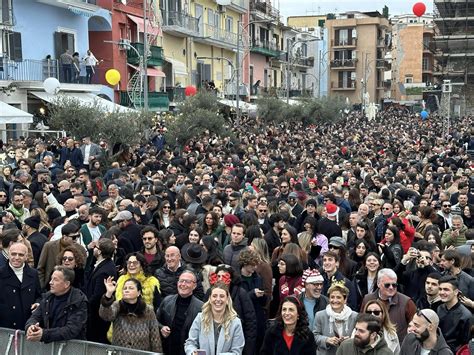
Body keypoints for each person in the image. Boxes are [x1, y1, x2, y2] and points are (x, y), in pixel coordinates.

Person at [25, 266, 88, 342]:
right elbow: (35, 317)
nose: (50, 282)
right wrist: (30, 327)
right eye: (51, 279)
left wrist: (44, 334)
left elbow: (71, 329)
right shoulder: (47, 297)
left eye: (55, 280)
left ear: (66, 284)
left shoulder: (78, 301)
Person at [100, 276, 162, 352]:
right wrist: (109, 294)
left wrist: (157, 353)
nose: (126, 290)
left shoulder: (147, 309)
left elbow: (155, 336)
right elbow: (105, 316)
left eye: (131, 288)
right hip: (120, 351)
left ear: (139, 292)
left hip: (142, 352)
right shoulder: (117, 305)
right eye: (125, 288)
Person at [184, 282, 245, 355]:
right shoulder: (200, 318)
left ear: (227, 300)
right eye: (214, 296)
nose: (218, 299)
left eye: (222, 296)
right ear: (210, 298)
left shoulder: (236, 322)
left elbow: (237, 352)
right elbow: (190, 343)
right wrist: (193, 353)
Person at [360, 268, 417, 344]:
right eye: (387, 285)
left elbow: (414, 327)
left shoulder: (407, 302)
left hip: (397, 348)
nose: (391, 287)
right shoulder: (367, 299)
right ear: (378, 284)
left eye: (394, 285)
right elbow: (361, 321)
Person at [156, 270, 203, 355]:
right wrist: (161, 328)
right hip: (168, 350)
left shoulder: (201, 308)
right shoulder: (167, 301)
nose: (183, 284)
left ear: (194, 286)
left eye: (188, 282)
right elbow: (155, 321)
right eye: (181, 281)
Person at [0, 242, 42, 330]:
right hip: (5, 326)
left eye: (21, 255)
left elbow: (39, 295)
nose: (17, 257)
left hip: (26, 325)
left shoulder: (33, 274)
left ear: (26, 257)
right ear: (8, 254)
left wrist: (38, 304)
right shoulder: (1, 274)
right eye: (13, 254)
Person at [84, 238, 118, 343]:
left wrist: (85, 305)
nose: (93, 248)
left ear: (99, 251)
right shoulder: (104, 265)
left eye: (96, 247)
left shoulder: (104, 271)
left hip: (97, 319)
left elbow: (97, 296)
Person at [314, 282, 359, 355]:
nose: (335, 300)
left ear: (345, 300)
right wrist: (327, 340)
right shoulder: (320, 315)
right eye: (332, 297)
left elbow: (359, 336)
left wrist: (350, 340)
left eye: (338, 297)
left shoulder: (354, 316)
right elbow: (315, 336)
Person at [436, 276, 471, 353]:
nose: (441, 292)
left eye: (446, 289)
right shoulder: (439, 308)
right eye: (440, 289)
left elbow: (465, 345)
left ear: (456, 292)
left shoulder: (465, 316)